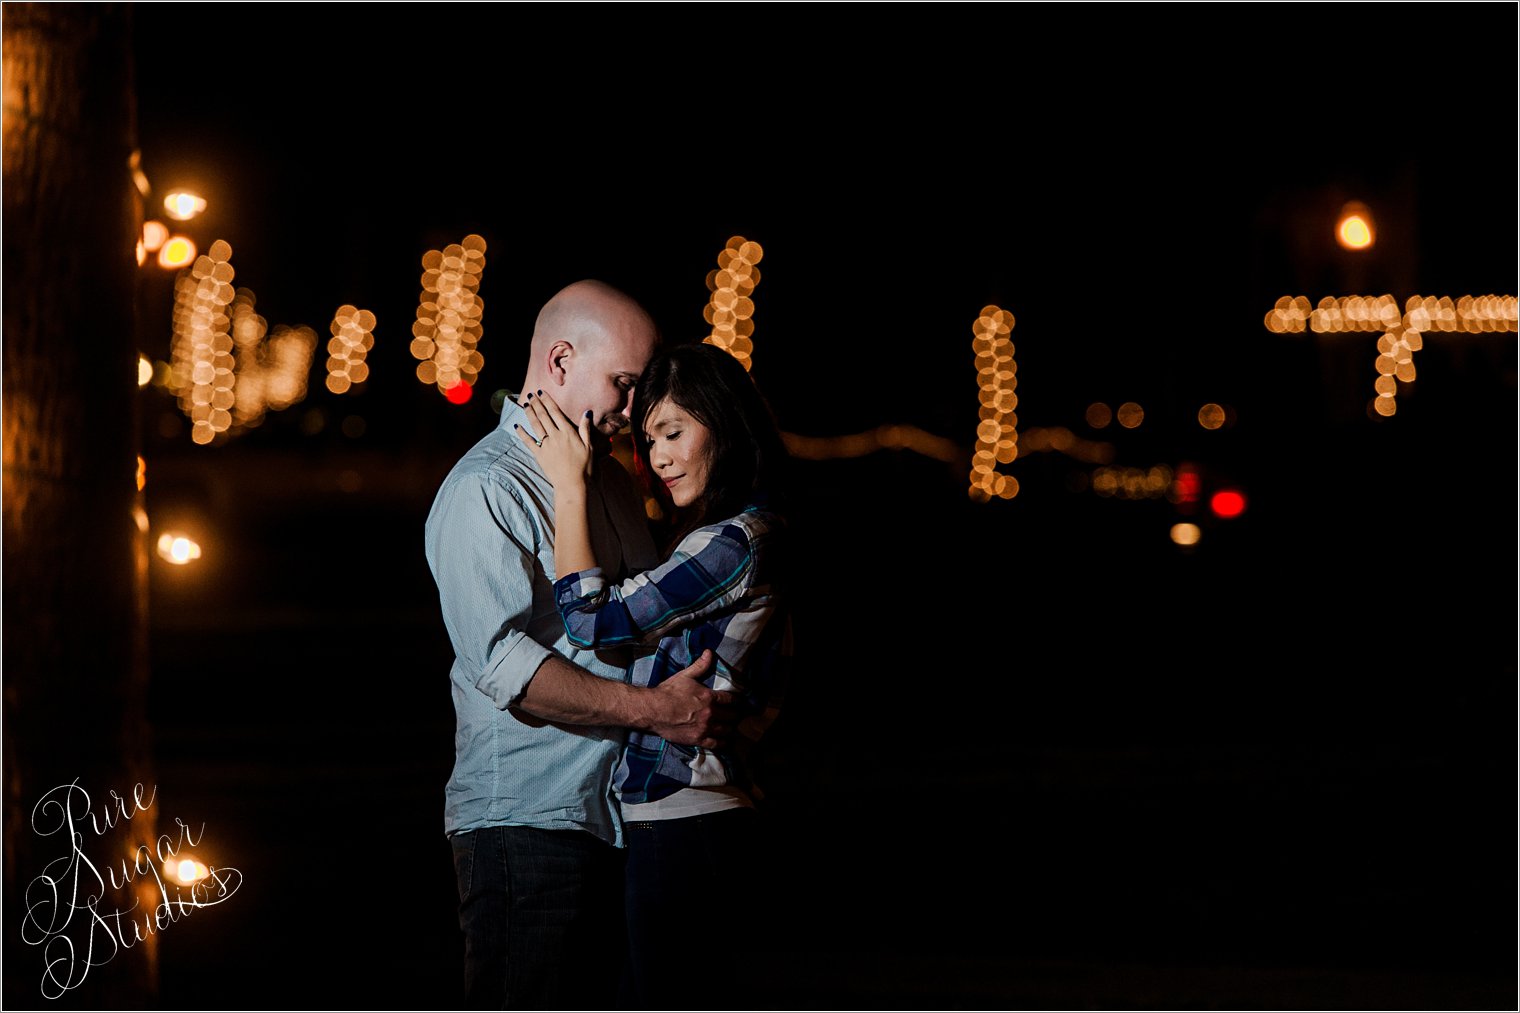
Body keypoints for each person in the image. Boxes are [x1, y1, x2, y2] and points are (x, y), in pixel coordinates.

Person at [424, 280, 738, 1009]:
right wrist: (656, 709)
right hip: (526, 825)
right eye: (624, 386)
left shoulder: (613, 482)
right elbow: (509, 668)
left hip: (616, 821)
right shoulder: (486, 489)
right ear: (560, 360)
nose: (636, 411)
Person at [516, 339, 793, 1005]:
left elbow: (592, 619)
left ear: (723, 424)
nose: (658, 456)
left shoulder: (735, 541)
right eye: (648, 438)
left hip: (687, 815)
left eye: (673, 431)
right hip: (679, 815)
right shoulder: (725, 533)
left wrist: (566, 485)